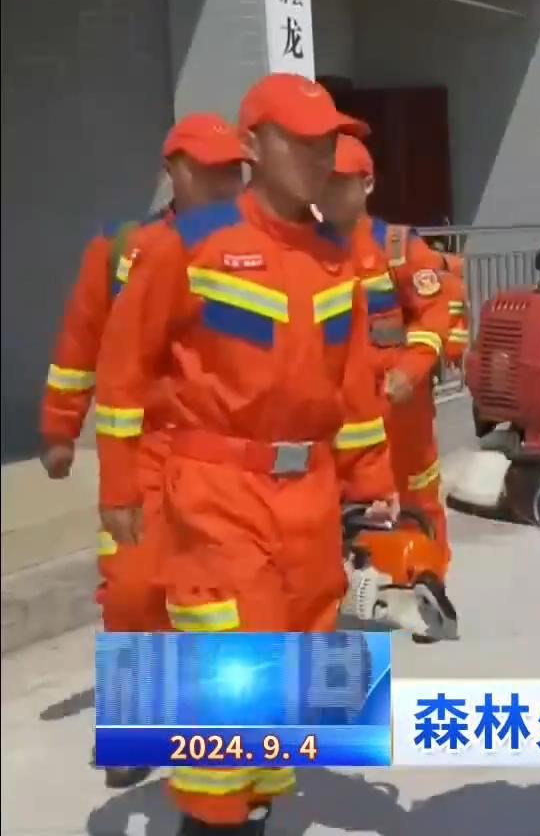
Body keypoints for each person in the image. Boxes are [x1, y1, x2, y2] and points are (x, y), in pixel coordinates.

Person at [93, 73, 398, 836]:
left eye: (329, 143)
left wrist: (372, 479)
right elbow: (124, 366)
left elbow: (352, 381)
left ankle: (248, 814)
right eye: (302, 141)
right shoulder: (189, 246)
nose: (320, 157)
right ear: (253, 145)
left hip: (310, 499)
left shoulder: (334, 258)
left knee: (287, 685)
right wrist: (120, 483)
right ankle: (213, 818)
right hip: (218, 491)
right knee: (234, 678)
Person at [42, 113, 248, 789]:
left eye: (234, 171)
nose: (225, 183)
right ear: (174, 171)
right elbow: (80, 345)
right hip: (146, 451)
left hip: (233, 458)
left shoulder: (264, 254)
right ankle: (135, 727)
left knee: (231, 598)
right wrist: (60, 428)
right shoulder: (119, 253)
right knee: (133, 589)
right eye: (210, 171)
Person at [321, 137, 457, 577]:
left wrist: (410, 369)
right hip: (336, 410)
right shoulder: (306, 248)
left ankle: (427, 581)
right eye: (324, 180)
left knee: (416, 498)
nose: (330, 191)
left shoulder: (396, 246)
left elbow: (436, 309)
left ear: (367, 184)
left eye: (341, 182)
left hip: (399, 410)